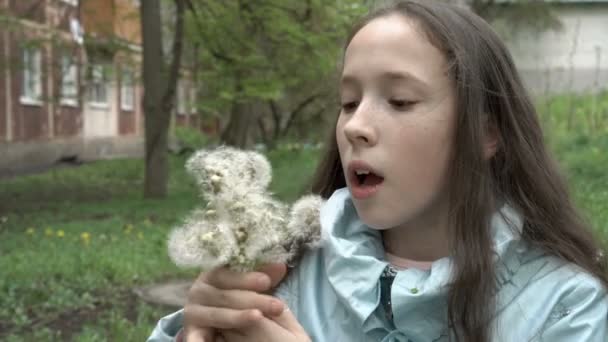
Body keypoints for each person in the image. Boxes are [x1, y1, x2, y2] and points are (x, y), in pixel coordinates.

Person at [148, 1, 608, 341]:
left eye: (400, 101)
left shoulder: (568, 309)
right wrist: (192, 329)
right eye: (348, 103)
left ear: (486, 134)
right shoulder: (281, 274)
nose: (355, 126)